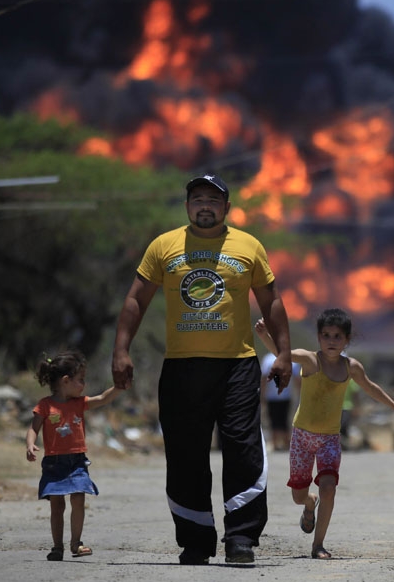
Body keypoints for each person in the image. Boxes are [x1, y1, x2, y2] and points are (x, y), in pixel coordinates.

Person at [111, 173, 293, 566]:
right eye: (197, 199)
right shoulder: (164, 246)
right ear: (187, 206)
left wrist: (283, 353)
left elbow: (272, 302)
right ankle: (194, 540)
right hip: (182, 368)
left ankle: (241, 537)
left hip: (237, 366)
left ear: (226, 207)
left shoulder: (248, 246)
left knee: (243, 450)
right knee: (185, 454)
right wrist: (120, 351)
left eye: (213, 199)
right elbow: (135, 300)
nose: (205, 205)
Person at [260, 307, 394, 560]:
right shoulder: (310, 360)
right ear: (319, 338)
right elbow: (281, 353)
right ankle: (309, 504)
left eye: (337, 336)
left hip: (329, 438)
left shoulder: (351, 368)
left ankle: (318, 545)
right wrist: (266, 335)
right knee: (298, 496)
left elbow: (371, 388)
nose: (331, 341)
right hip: (302, 437)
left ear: (347, 340)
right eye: (326, 335)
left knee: (328, 487)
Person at [25, 349, 122, 561]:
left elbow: (103, 398)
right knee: (57, 505)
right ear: (66, 381)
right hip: (54, 463)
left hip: (77, 461)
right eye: (81, 380)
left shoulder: (80, 403)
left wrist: (119, 387)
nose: (84, 384)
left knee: (79, 498)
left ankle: (76, 543)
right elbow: (33, 428)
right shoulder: (45, 405)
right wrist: (30, 444)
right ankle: (57, 546)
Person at [255, 317, 300, 451]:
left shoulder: (290, 358)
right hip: (271, 396)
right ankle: (275, 443)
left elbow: (297, 378)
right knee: (273, 419)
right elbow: (263, 378)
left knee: (285, 419)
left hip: (286, 395)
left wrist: (300, 395)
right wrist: (262, 395)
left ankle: (286, 443)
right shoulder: (268, 359)